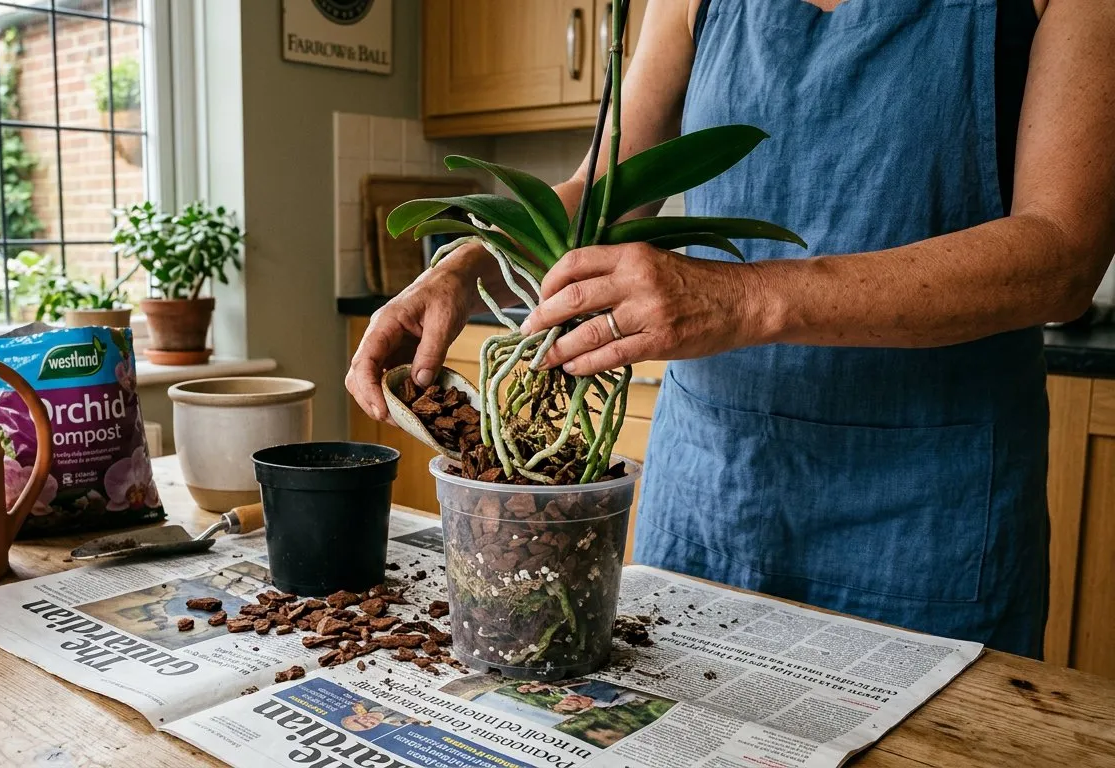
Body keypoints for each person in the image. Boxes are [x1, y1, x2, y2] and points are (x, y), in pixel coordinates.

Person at [346, 0, 1115, 658]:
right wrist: (462, 262)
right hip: (715, 486)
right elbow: (610, 190)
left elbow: (1063, 254)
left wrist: (744, 298)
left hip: (930, 503)